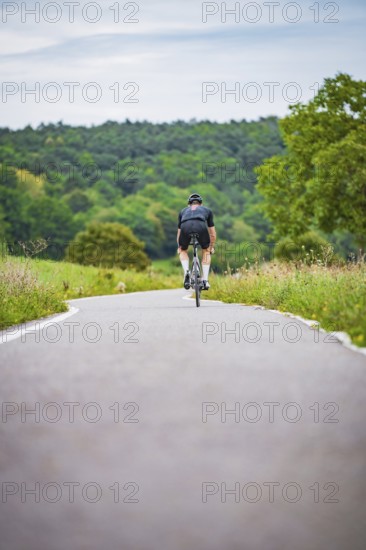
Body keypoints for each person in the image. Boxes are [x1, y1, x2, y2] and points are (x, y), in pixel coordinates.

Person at [177, 193, 216, 290]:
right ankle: (205, 281)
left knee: (183, 250)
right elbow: (212, 233)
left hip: (185, 226)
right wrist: (210, 247)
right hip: (200, 226)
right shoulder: (207, 210)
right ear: (201, 204)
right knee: (206, 250)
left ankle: (186, 271)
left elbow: (179, 233)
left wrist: (180, 247)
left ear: (188, 204)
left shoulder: (183, 211)